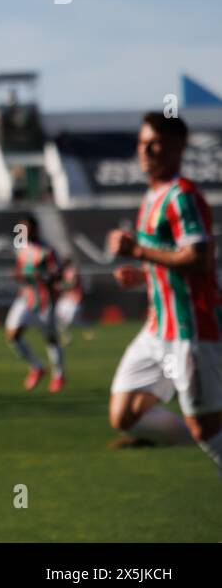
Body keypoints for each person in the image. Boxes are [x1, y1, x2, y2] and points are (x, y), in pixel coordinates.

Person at [106, 113, 222, 474]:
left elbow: (198, 259)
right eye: (142, 143)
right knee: (123, 414)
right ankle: (197, 437)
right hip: (157, 330)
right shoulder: (152, 196)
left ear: (178, 148)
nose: (147, 150)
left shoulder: (182, 196)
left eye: (156, 143)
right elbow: (171, 259)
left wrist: (138, 252)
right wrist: (142, 275)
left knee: (207, 429)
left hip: (190, 330)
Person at [4, 214, 64, 392]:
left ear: (35, 228)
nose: (23, 232)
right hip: (25, 297)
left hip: (44, 300)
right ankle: (37, 367)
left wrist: (44, 276)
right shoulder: (20, 247)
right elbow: (20, 269)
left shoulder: (47, 251)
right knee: (12, 335)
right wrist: (17, 274)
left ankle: (59, 374)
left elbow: (58, 274)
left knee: (50, 339)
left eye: (26, 228)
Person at [53, 256, 85, 343]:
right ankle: (66, 336)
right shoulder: (63, 271)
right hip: (65, 299)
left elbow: (72, 284)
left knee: (68, 321)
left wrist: (59, 286)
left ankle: (85, 327)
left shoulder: (72, 271)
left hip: (73, 300)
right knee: (56, 318)